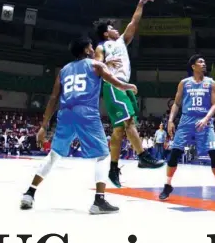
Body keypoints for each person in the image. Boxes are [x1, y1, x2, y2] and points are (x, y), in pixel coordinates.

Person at [20, 37, 138, 214]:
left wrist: (44, 126)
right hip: (86, 112)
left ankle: (29, 193)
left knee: (54, 155)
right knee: (103, 156)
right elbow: (114, 80)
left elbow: (53, 98)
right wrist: (127, 85)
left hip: (65, 113)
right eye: (90, 46)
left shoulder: (64, 70)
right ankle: (99, 201)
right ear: (85, 50)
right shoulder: (96, 65)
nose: (93, 49)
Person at [95, 0, 163, 187]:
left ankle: (113, 168)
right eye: (111, 28)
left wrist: (140, 4)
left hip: (124, 86)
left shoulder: (122, 42)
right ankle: (143, 156)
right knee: (128, 121)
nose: (115, 29)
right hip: (114, 85)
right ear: (106, 34)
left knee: (118, 130)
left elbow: (134, 22)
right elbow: (96, 64)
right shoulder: (102, 46)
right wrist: (105, 62)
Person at [158, 55, 215, 203]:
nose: (204, 63)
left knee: (214, 154)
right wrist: (171, 120)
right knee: (175, 153)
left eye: (204, 61)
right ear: (193, 66)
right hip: (186, 121)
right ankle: (167, 186)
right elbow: (176, 104)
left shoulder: (211, 83)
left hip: (204, 122)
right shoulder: (184, 83)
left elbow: (214, 105)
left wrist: (206, 119)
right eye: (200, 62)